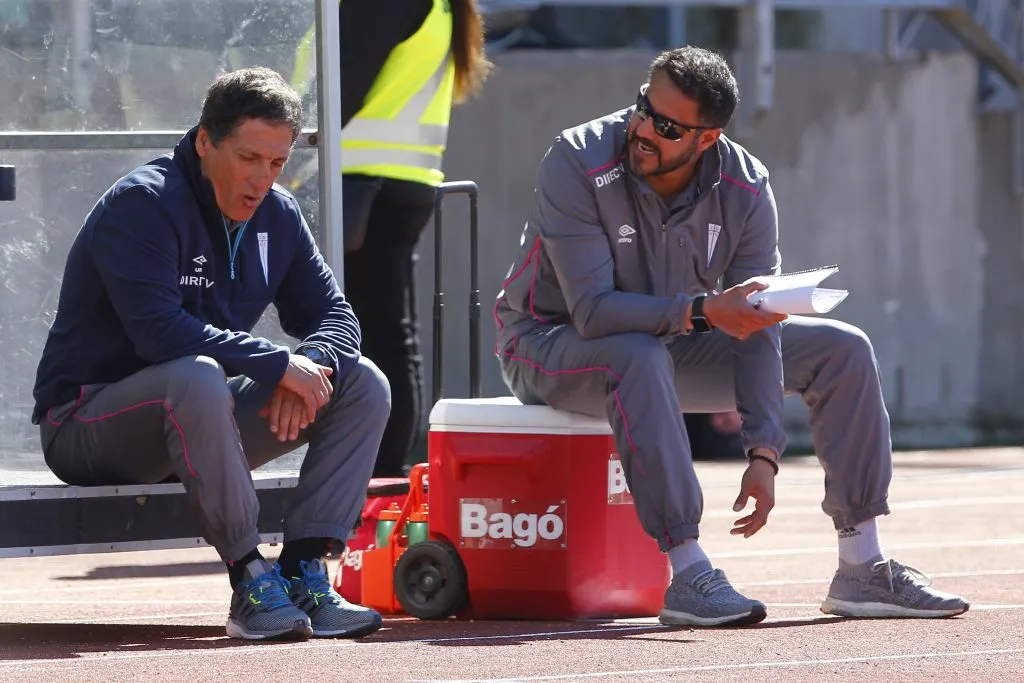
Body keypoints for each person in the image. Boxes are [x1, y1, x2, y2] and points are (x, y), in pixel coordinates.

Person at [493, 46, 969, 627]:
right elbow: (593, 313)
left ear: (707, 139)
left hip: (666, 343)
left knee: (842, 349)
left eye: (666, 127)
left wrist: (764, 450)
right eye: (644, 108)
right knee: (635, 353)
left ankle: (861, 563)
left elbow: (756, 320)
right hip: (546, 343)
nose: (643, 130)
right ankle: (688, 570)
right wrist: (703, 311)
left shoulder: (746, 186)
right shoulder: (576, 159)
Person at [31, 67, 390, 642]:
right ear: (205, 141)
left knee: (361, 382)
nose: (263, 179)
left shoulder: (279, 213)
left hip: (196, 418)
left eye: (276, 163)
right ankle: (249, 578)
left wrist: (313, 370)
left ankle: (304, 572)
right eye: (249, 158)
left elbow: (336, 316)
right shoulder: (143, 204)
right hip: (86, 424)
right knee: (195, 376)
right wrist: (277, 365)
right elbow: (159, 333)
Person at [289, 0, 491, 477]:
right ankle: (384, 474)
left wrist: (285, 157)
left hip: (360, 183)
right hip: (396, 180)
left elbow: (340, 85)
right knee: (388, 333)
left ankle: (376, 476)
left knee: (371, 334)